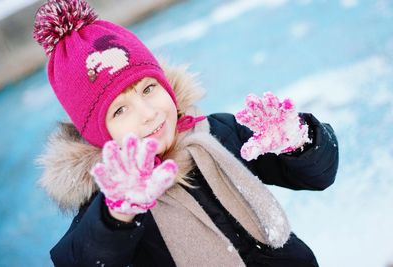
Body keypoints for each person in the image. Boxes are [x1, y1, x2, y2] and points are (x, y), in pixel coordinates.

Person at [33, 0, 339, 266]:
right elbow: (81, 259)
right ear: (98, 134)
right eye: (119, 110)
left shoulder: (217, 132)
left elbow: (318, 176)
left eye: (149, 88)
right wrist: (118, 215)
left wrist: (301, 142)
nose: (148, 112)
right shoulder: (112, 201)